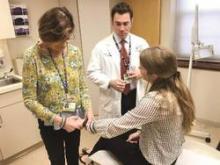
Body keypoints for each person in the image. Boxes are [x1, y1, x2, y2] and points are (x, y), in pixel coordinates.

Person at [86, 46, 195, 165]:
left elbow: (114, 127)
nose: (138, 68)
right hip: (170, 155)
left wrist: (89, 125)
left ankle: (88, 159)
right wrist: (141, 134)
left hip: (153, 161)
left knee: (106, 137)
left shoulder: (155, 100)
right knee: (129, 131)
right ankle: (91, 155)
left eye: (141, 67)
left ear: (154, 75)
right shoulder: (177, 90)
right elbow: (166, 126)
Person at [22, 7, 93, 165]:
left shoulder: (74, 52)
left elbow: (82, 87)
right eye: (60, 41)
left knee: (73, 157)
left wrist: (89, 110)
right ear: (47, 37)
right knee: (57, 160)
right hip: (50, 122)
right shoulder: (32, 56)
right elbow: (29, 99)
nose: (65, 44)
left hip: (74, 114)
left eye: (67, 38)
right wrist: (61, 122)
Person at [85, 2, 149, 163]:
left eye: (126, 23)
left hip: (135, 95)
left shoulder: (141, 43)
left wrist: (141, 73)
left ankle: (120, 153)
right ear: (112, 22)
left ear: (131, 21)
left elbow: (150, 67)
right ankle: (96, 155)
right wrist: (109, 81)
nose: (122, 28)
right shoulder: (101, 46)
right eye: (118, 24)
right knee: (113, 131)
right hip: (113, 96)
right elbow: (91, 71)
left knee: (133, 130)